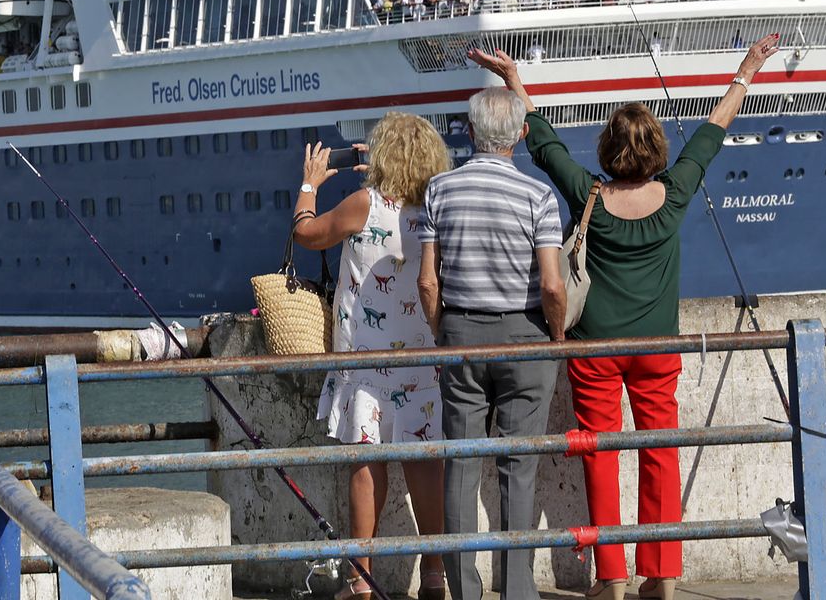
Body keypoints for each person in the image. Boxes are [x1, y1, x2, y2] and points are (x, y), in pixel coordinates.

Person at [469, 34, 780, 600]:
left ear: (608, 149)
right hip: (659, 348)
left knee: (599, 452)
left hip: (594, 350)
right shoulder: (677, 190)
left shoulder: (587, 194)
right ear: (657, 149)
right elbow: (712, 131)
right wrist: (748, 67)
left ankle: (611, 576)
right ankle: (660, 574)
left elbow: (543, 142)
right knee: (660, 449)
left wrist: (514, 77)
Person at [417, 87, 566, 600]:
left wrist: (443, 330)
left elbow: (427, 282)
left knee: (461, 463)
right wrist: (558, 337)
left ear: (472, 130)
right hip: (526, 336)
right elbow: (551, 285)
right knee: (518, 467)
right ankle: (518, 591)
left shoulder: (440, 190)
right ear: (522, 134)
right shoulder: (538, 196)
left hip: (460, 334)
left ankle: (464, 590)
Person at [293, 114, 449, 600]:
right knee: (424, 464)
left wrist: (309, 184)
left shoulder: (365, 204)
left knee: (366, 464)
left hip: (364, 360)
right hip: (422, 358)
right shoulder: (436, 208)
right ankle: (435, 574)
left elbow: (307, 234)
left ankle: (361, 579)